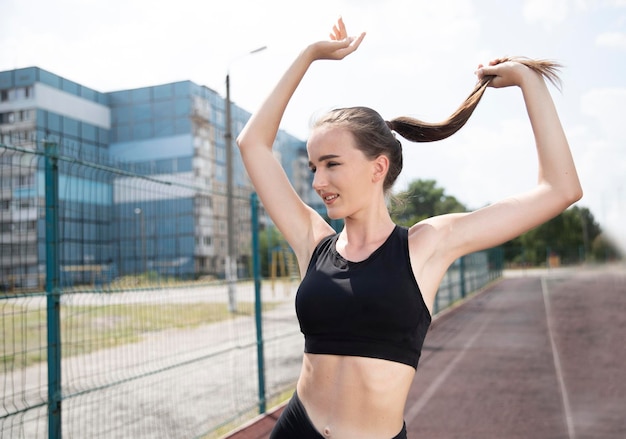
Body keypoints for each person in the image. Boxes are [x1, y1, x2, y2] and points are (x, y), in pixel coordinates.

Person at [237, 17, 582, 439]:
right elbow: (251, 143)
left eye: (331, 164)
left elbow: (560, 188)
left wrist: (529, 81)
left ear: (377, 167)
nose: (317, 182)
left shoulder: (427, 244)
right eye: (313, 167)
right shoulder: (312, 242)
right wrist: (309, 55)